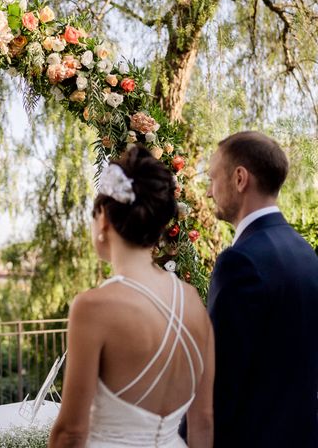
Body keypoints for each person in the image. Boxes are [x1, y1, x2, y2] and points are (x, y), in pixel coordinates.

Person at [49, 145, 215, 448]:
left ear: (103, 222)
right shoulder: (193, 300)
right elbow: (203, 420)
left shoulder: (92, 307)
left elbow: (70, 433)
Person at [205, 131, 318, 447]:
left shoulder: (240, 261)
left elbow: (219, 388)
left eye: (213, 178)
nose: (209, 192)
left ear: (240, 178)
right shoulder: (305, 253)